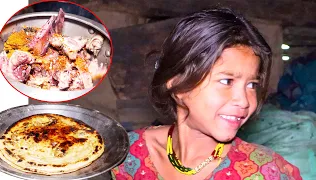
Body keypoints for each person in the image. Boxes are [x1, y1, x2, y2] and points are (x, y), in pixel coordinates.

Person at [111, 8, 302, 180]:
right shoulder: (125, 155)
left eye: (252, 85)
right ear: (177, 85)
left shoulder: (265, 172)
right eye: (227, 81)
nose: (244, 100)